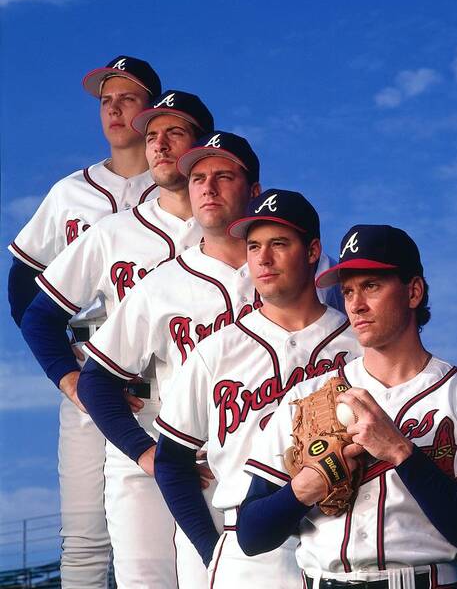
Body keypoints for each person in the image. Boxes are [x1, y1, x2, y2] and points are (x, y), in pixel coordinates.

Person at [238, 224, 457, 589]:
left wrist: (401, 451)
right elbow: (250, 535)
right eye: (347, 291)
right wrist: (307, 487)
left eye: (371, 286)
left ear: (413, 292)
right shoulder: (307, 399)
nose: (356, 304)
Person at [20, 89, 214, 589]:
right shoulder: (108, 231)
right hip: (131, 421)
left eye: (174, 133)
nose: (161, 145)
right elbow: (34, 305)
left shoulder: (235, 233)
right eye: (153, 135)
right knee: (110, 558)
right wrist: (72, 381)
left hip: (219, 439)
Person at [153, 189, 362, 588]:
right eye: (253, 246)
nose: (263, 259)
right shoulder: (217, 351)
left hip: (346, 536)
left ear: (313, 250)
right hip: (250, 552)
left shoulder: (358, 345)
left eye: (279, 244)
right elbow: (171, 461)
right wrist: (209, 547)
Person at [6, 55, 161, 588]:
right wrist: (64, 369)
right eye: (105, 101)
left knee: (174, 535)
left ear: (152, 112)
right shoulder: (70, 192)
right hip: (90, 370)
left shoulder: (179, 193)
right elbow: (22, 283)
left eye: (128, 98)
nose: (115, 110)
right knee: (85, 539)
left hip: (164, 374)